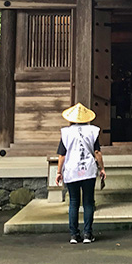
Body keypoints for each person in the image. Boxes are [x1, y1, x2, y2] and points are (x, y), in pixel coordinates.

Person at [55, 102, 106, 244]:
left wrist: (58, 172)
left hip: (71, 170)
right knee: (88, 202)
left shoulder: (66, 133)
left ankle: (73, 235)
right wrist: (102, 168)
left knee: (74, 202)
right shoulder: (93, 131)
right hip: (88, 169)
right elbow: (97, 152)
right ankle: (88, 234)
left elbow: (62, 155)